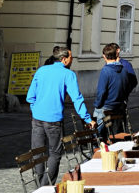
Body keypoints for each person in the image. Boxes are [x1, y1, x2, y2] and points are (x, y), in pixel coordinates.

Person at [26, 48, 94, 184]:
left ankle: (40, 183)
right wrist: (87, 119)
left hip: (37, 118)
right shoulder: (68, 74)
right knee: (55, 153)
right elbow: (77, 98)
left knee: (37, 152)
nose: (72, 59)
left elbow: (30, 97)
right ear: (64, 59)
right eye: (71, 57)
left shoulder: (41, 70)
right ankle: (45, 186)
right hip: (54, 120)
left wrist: (36, 110)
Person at [94, 42, 136, 141]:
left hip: (107, 105)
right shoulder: (124, 69)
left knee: (96, 130)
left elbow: (102, 91)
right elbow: (126, 86)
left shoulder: (106, 70)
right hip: (119, 105)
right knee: (117, 131)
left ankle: (97, 145)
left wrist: (97, 104)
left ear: (104, 56)